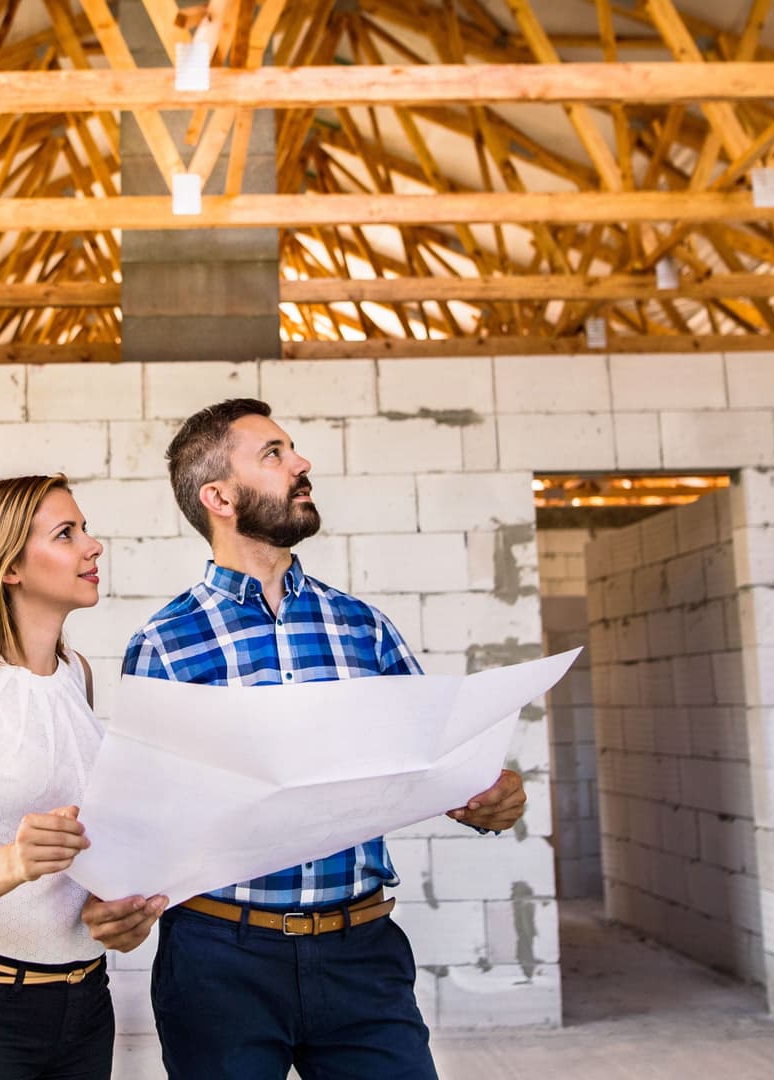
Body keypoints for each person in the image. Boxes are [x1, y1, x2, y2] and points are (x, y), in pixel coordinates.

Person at [88, 398, 528, 1078]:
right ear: (219, 496)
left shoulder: (363, 627)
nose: (301, 464)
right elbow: (145, 818)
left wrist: (490, 798)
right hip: (217, 963)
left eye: (291, 450)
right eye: (274, 454)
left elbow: (441, 767)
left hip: (362, 954)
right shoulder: (164, 645)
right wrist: (114, 895)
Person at [0, 474, 163, 1080]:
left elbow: (71, 867)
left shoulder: (76, 674)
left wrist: (114, 913)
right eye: (66, 534)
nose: (93, 546)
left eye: (85, 530)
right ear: (10, 565)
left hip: (82, 1001)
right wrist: (15, 862)